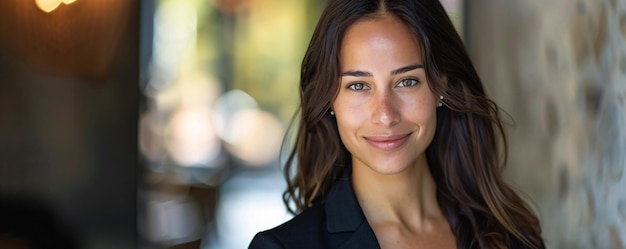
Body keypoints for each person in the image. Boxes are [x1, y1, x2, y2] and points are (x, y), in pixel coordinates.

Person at [249, 0, 545, 248]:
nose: (385, 115)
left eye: (407, 81)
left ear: (440, 86)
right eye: (358, 86)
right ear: (329, 100)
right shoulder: (284, 247)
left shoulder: (512, 236)